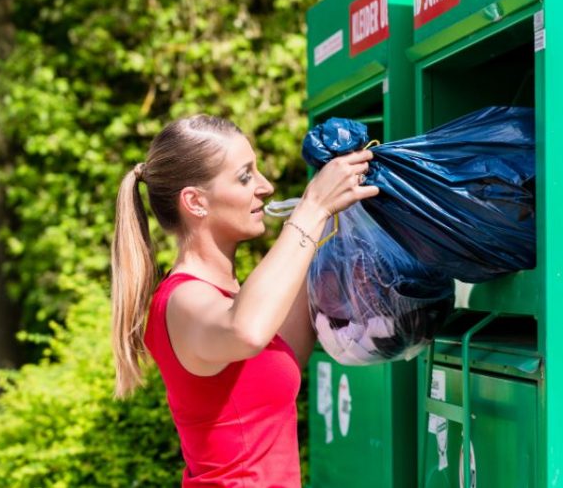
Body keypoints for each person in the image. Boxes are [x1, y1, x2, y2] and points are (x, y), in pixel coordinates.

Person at [111, 115, 377, 487]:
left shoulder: (234, 298)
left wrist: (340, 219)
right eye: (245, 176)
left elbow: (283, 350)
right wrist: (312, 208)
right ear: (195, 202)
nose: (266, 187)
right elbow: (247, 329)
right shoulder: (182, 300)